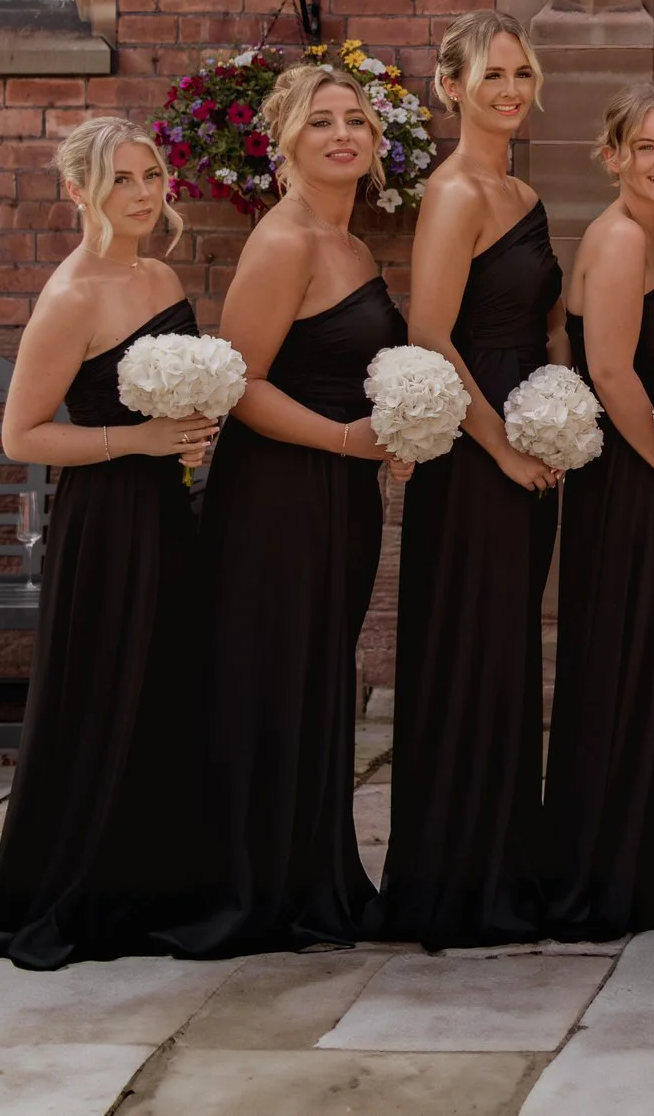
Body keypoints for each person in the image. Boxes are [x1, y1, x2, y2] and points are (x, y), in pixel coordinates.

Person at [0, 117, 214, 969]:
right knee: (104, 692)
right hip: (105, 521)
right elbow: (20, 435)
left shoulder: (163, 271)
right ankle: (80, 889)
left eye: (150, 176)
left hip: (173, 513)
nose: (142, 194)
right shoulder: (69, 296)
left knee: (168, 689)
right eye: (120, 181)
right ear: (78, 193)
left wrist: (193, 434)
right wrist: (136, 442)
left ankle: (158, 884)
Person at [165, 63, 409, 957]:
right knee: (272, 679)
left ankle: (313, 873)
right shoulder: (286, 239)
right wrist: (348, 442)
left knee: (318, 679)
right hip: (277, 497)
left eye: (356, 120)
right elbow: (243, 383)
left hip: (340, 495)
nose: (342, 134)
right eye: (321, 122)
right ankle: (254, 883)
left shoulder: (348, 241)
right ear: (287, 142)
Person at [377, 11, 565, 949]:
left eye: (522, 73)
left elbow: (540, 318)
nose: (510, 90)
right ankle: (455, 881)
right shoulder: (454, 192)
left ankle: (502, 860)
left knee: (505, 662)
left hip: (528, 439)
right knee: (471, 656)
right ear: (450, 86)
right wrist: (501, 448)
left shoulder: (521, 188)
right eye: (493, 74)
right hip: (477, 451)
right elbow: (430, 335)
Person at [535, 84, 654, 939]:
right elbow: (608, 372)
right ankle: (604, 868)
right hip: (631, 486)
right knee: (624, 660)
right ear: (614, 156)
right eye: (647, 147)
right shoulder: (612, 241)